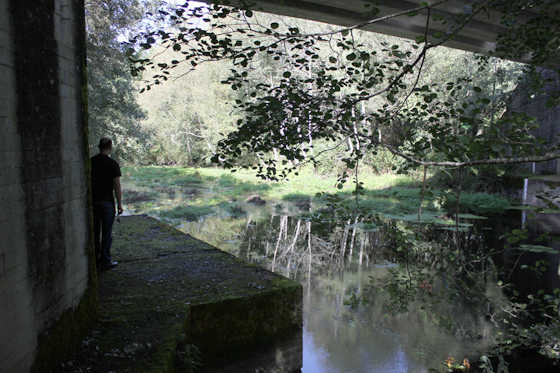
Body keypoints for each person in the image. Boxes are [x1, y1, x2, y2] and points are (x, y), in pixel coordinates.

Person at [91, 138, 123, 270]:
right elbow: (117, 186)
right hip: (107, 202)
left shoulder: (91, 162)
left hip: (93, 202)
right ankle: (105, 261)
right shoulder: (113, 164)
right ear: (111, 148)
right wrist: (119, 204)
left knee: (94, 232)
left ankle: (94, 260)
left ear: (99, 146)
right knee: (106, 233)